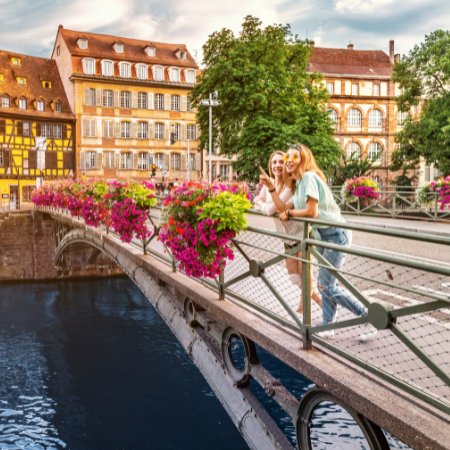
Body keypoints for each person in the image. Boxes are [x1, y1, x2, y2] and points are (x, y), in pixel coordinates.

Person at [260, 143, 377, 342]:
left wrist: (290, 213)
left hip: (336, 234)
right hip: (323, 236)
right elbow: (280, 208)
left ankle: (368, 317)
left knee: (326, 285)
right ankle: (328, 325)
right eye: (286, 157)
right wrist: (271, 188)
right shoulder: (299, 186)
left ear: (303, 159)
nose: (288, 161)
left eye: (293, 157)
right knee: (326, 284)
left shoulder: (309, 177)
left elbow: (311, 212)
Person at [253, 151, 322, 313]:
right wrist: (262, 203)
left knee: (305, 277)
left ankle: (301, 312)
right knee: (295, 278)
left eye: (280, 162)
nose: (277, 165)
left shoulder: (290, 185)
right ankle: (324, 303)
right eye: (274, 162)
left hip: (303, 235)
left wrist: (263, 204)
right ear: (270, 166)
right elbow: (256, 199)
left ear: (286, 165)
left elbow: (271, 209)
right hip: (287, 236)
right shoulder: (269, 184)